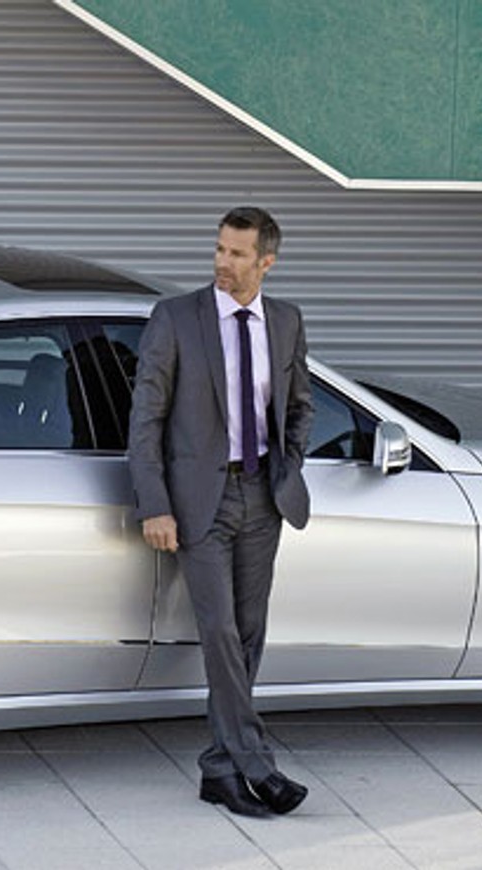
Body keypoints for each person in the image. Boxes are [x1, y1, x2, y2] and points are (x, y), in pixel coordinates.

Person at [127, 206, 314, 817]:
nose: (222, 263)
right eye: (218, 250)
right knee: (219, 632)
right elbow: (146, 419)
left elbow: (298, 407)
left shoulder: (285, 322)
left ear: (267, 262)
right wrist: (155, 503)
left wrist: (290, 468)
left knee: (251, 632)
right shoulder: (177, 318)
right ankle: (258, 766)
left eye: (237, 254)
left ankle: (219, 769)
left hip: (263, 496)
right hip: (198, 502)